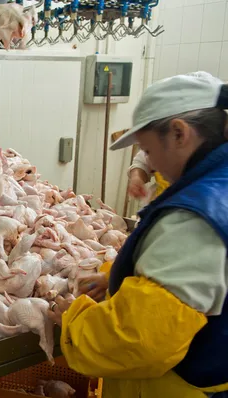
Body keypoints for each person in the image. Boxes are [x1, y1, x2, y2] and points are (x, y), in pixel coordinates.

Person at [48, 72, 228, 398]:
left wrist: (73, 321)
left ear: (178, 133)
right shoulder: (217, 185)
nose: (151, 166)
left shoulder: (194, 219)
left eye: (148, 150)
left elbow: (141, 341)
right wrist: (117, 278)